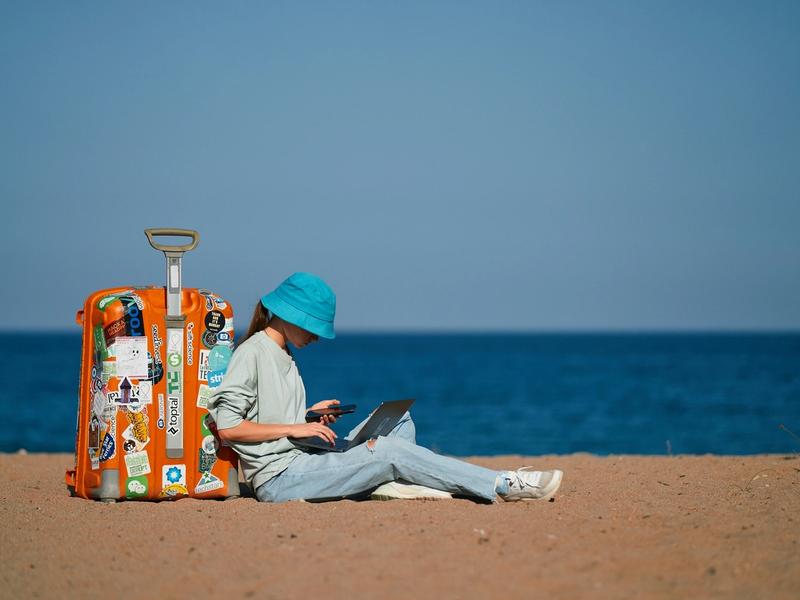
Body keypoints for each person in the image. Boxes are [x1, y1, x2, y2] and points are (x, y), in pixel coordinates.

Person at [207, 272, 563, 503]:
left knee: (399, 421)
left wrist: (310, 414)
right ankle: (503, 484)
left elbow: (265, 414)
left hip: (305, 457)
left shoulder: (282, 352)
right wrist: (296, 427)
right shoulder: (252, 352)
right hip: (281, 478)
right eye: (313, 327)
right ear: (289, 316)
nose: (316, 336)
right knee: (389, 452)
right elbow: (230, 426)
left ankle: (383, 484)